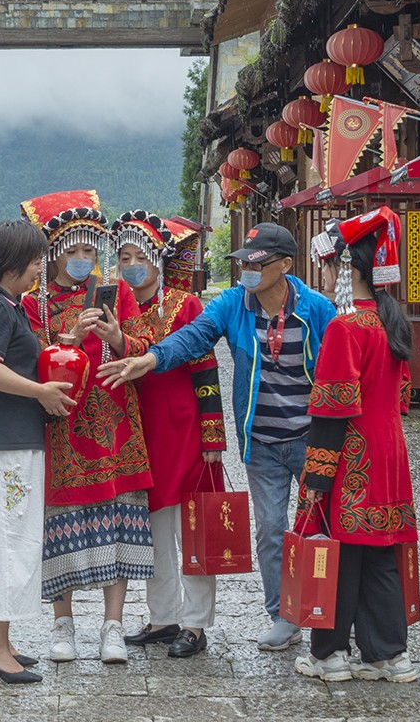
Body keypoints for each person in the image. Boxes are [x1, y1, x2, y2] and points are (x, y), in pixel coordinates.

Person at [101, 220, 335, 651]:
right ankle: (282, 615)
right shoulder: (232, 304)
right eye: (242, 261)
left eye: (256, 262)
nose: (246, 268)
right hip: (261, 439)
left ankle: (330, 615)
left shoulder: (318, 309)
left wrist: (211, 440)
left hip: (311, 438)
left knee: (321, 528)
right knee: (269, 529)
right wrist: (150, 359)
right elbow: (193, 340)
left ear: (284, 265)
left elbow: (341, 365)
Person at [20, 190, 154, 665]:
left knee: (118, 519)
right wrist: (69, 340)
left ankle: (112, 627)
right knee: (63, 522)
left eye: (89, 251)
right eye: (72, 250)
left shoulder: (115, 292)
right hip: (64, 422)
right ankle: (63, 623)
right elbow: (28, 365)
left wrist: (115, 336)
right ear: (54, 252)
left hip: (116, 419)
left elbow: (143, 346)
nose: (82, 259)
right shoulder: (33, 300)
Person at [293, 208, 420, 683]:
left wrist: (316, 479)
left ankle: (328, 655)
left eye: (327, 266)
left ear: (346, 270)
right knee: (380, 549)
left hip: (353, 454)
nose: (323, 275)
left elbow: (331, 411)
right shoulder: (392, 324)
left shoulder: (344, 329)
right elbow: (402, 398)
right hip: (390, 452)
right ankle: (387, 653)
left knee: (339, 552)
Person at [0, 217, 75, 686]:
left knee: (15, 536)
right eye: (32, 263)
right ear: (9, 265)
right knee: (8, 539)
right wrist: (40, 392)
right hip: (2, 439)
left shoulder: (5, 303)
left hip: (14, 437)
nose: (37, 272)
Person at [112, 212, 225, 658]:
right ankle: (163, 617)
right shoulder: (115, 307)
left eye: (141, 256)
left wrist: (213, 435)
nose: (133, 265)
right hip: (140, 436)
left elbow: (206, 369)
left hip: (185, 429)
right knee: (152, 531)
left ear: (159, 260)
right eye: (125, 257)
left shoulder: (185, 306)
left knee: (190, 528)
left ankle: (196, 625)